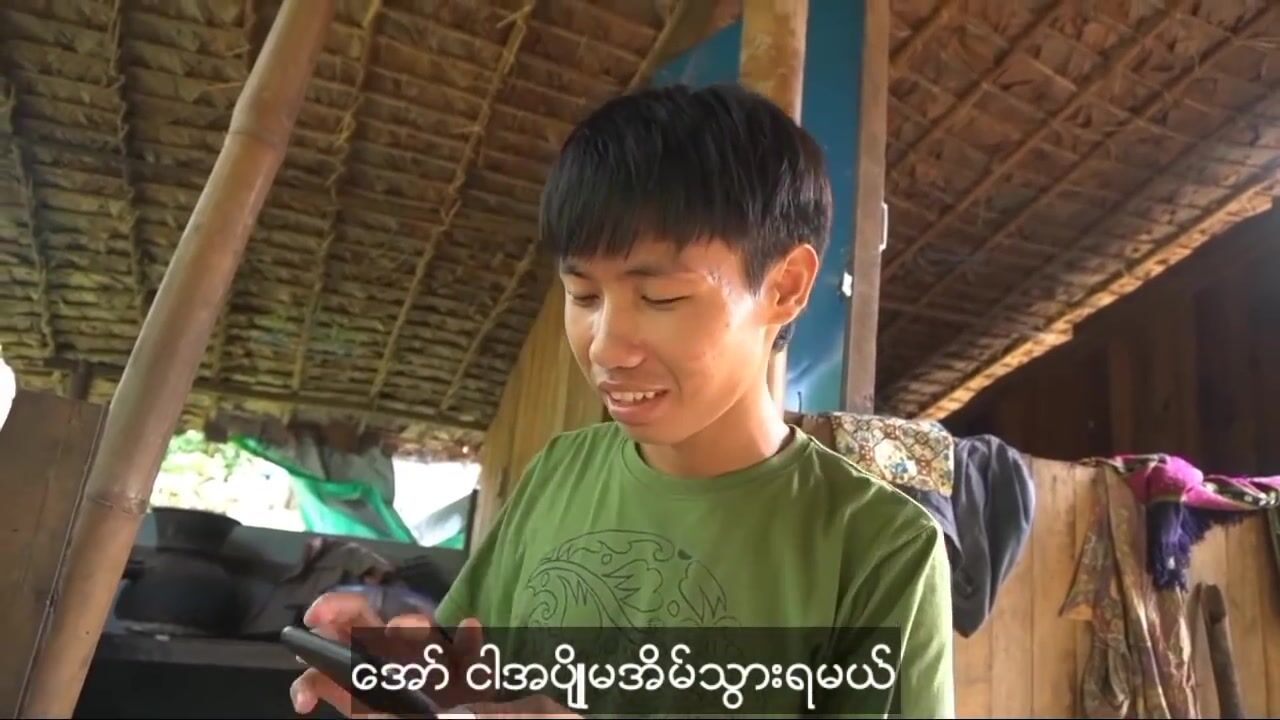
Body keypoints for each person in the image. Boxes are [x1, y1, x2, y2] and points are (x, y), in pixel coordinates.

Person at [290, 83, 955, 719]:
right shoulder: (560, 472)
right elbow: (479, 673)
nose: (606, 346)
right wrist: (420, 679)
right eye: (583, 296)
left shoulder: (880, 549)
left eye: (661, 298)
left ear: (784, 287)